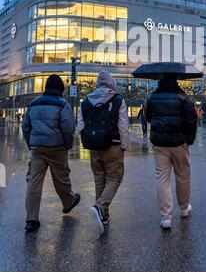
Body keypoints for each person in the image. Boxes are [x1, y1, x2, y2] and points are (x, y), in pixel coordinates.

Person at [22, 74, 80, 233]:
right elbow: (68, 128)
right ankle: (68, 202)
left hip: (37, 148)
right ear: (61, 87)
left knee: (34, 181)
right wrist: (67, 146)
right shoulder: (63, 104)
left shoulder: (33, 104)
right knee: (61, 177)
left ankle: (31, 219)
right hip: (56, 147)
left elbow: (25, 126)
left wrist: (31, 143)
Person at [78, 70, 129, 234]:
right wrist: (124, 146)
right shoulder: (118, 100)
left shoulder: (86, 101)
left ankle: (103, 215)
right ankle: (100, 207)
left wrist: (90, 139)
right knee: (115, 178)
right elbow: (123, 127)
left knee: (99, 179)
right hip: (113, 146)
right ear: (111, 83)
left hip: (94, 148)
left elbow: (80, 126)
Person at [144, 75, 198, 230]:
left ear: (160, 80)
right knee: (183, 176)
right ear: (176, 81)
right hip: (179, 143)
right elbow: (192, 119)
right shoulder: (183, 97)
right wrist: (189, 139)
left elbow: (147, 117)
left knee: (162, 178)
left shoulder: (152, 97)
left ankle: (166, 217)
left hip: (160, 143)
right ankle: (183, 208)